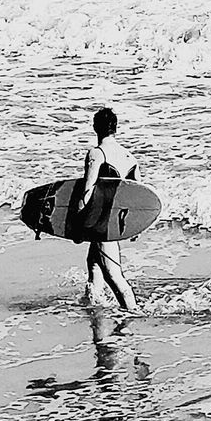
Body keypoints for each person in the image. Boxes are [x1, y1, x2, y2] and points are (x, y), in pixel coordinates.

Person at [78, 106, 139, 311]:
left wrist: (79, 224)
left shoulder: (97, 153)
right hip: (118, 221)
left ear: (96, 128)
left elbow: (87, 192)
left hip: (102, 221)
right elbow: (137, 197)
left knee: (114, 275)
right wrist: (134, 228)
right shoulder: (130, 157)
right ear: (116, 128)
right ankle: (94, 308)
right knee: (94, 263)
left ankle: (134, 314)